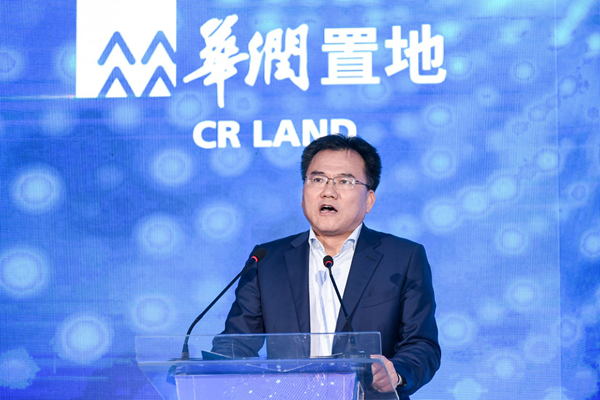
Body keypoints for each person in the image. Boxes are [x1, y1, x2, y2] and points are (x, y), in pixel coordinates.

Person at [220, 135, 440, 398]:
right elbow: (236, 343)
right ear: (303, 194)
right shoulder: (266, 260)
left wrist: (397, 372)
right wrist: (215, 368)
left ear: (369, 200)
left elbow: (422, 345)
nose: (328, 191)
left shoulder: (403, 257)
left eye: (344, 181)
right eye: (317, 179)